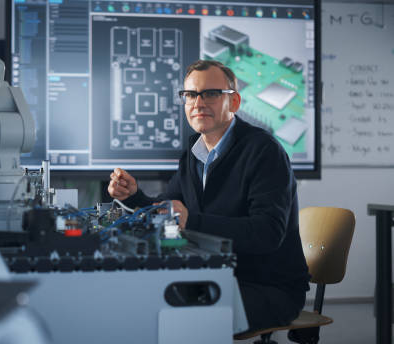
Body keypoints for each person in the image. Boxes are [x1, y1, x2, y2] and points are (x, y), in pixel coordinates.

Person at [108, 59, 310, 332]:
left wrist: (192, 221)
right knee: (142, 303)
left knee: (175, 321)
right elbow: (170, 209)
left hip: (266, 287)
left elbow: (268, 232)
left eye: (211, 94)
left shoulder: (264, 152)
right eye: (190, 94)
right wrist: (134, 196)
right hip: (212, 275)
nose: (198, 103)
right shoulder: (194, 151)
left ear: (234, 102)